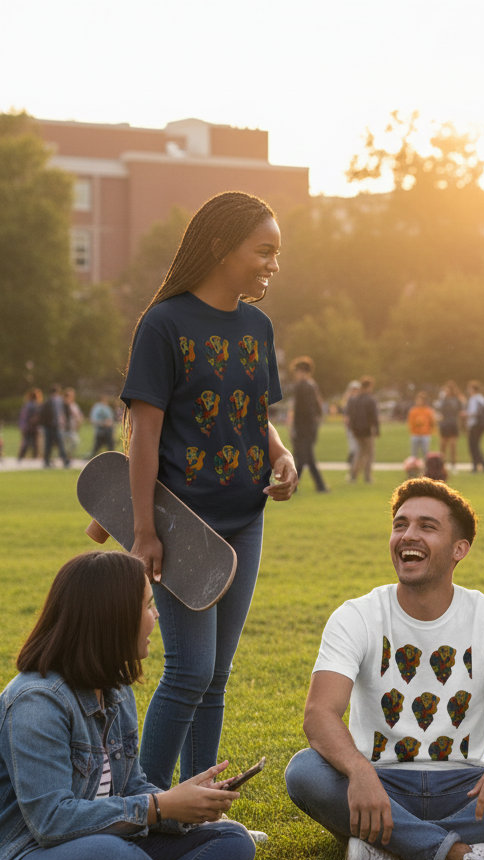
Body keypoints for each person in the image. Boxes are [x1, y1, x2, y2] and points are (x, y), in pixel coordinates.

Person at [285, 478, 484, 860]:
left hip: (466, 787)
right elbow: (319, 714)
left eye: (427, 526)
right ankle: (461, 855)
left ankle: (391, 848)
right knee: (305, 771)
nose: (408, 535)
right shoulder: (357, 615)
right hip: (381, 783)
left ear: (460, 549)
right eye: (400, 524)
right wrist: (358, 771)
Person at [0, 551, 292, 860]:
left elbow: (132, 786)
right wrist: (160, 808)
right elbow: (51, 823)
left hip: (102, 854)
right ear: (112, 619)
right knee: (110, 857)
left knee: (231, 839)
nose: (154, 616)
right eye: (147, 606)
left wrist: (185, 806)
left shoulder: (114, 689)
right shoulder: (37, 701)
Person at [121, 190, 297, 792]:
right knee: (189, 670)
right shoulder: (164, 323)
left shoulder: (257, 326)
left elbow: (252, 409)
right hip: (182, 525)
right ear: (222, 248)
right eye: (264, 250)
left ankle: (200, 806)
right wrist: (145, 529)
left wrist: (281, 453)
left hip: (246, 518)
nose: (274, 263)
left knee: (217, 673)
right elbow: (144, 432)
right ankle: (144, 805)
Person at [289, 356, 328, 493]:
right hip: (310, 427)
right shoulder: (312, 386)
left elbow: (299, 410)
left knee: (303, 457)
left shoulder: (301, 387)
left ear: (302, 371)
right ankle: (319, 486)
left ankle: (292, 486)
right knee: (305, 457)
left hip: (302, 427)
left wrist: (293, 428)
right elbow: (318, 408)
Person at [346, 376, 379, 483]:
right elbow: (374, 416)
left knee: (359, 453)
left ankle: (353, 475)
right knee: (369, 454)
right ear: (369, 387)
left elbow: (352, 415)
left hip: (357, 430)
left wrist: (353, 428)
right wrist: (377, 429)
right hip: (367, 430)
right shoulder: (370, 400)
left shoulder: (355, 400)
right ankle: (367, 476)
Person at [40, 384, 70, 468]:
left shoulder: (54, 401)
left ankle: (62, 460)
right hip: (51, 426)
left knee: (54, 444)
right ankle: (50, 461)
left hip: (55, 426)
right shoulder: (51, 402)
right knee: (53, 444)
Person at [464, 381, 484, 472]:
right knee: (476, 445)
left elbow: (473, 412)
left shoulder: (474, 399)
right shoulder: (481, 399)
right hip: (481, 425)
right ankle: (482, 464)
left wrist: (465, 415)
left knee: (473, 445)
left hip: (475, 424)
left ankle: (477, 465)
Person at [436, 380, 463, 471]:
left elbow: (460, 412)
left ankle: (453, 464)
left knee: (453, 446)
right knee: (442, 446)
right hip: (444, 425)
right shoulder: (443, 400)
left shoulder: (457, 400)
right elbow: (440, 412)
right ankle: (441, 465)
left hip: (453, 424)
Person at [407, 390, 436, 461]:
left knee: (426, 452)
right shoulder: (413, 410)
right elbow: (410, 422)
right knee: (414, 453)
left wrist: (429, 431)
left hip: (425, 434)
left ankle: (426, 467)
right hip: (415, 434)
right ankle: (413, 467)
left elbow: (432, 422)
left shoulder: (428, 410)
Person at [16, 388, 41, 461]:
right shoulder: (35, 405)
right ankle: (34, 457)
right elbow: (36, 417)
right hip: (32, 427)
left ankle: (21, 456)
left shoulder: (26, 405)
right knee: (34, 443)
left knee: (26, 441)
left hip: (25, 426)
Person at [62, 387, 84, 459]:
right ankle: (65, 457)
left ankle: (68, 455)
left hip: (72, 428)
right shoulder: (61, 405)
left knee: (75, 442)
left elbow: (79, 415)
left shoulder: (74, 405)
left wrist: (79, 422)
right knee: (64, 444)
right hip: (63, 428)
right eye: (67, 395)